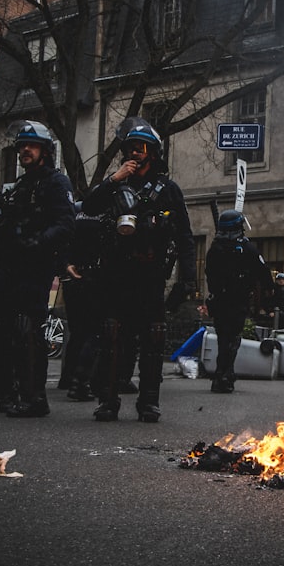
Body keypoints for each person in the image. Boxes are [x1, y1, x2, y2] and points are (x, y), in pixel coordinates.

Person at [80, 117, 196, 422]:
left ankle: (149, 402)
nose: (136, 152)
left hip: (151, 274)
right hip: (117, 275)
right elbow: (88, 207)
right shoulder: (117, 183)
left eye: (142, 147)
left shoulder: (168, 189)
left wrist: (188, 278)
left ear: (154, 152)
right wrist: (113, 180)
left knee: (153, 338)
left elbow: (184, 235)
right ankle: (108, 400)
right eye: (131, 147)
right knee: (112, 336)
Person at [0, 120, 75, 417]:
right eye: (22, 145)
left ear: (45, 151)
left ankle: (35, 397)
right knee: (0, 327)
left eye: (32, 145)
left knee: (28, 329)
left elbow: (65, 224)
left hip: (36, 266)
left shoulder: (55, 183)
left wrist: (37, 243)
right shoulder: (20, 186)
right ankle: (6, 392)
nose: (25, 149)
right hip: (10, 265)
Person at [204, 209, 275, 393]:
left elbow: (209, 274)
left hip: (220, 300)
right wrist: (269, 292)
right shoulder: (246, 248)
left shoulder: (215, 248)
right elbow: (264, 272)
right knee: (233, 338)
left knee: (223, 338)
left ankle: (221, 374)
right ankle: (225, 375)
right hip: (238, 301)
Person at [56, 202, 107, 401]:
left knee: (77, 332)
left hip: (73, 280)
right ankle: (81, 381)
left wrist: (66, 265)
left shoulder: (74, 220)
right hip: (96, 279)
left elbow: (60, 244)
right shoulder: (104, 220)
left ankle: (67, 378)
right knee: (94, 331)